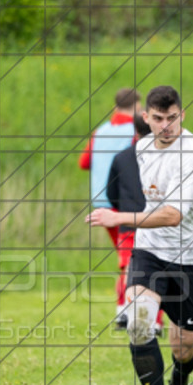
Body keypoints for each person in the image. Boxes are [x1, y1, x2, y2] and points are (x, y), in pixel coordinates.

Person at [87, 85, 193, 385]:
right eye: (158, 119)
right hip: (150, 251)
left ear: (182, 116)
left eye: (172, 118)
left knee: (183, 346)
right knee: (139, 322)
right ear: (147, 118)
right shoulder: (141, 148)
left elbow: (173, 214)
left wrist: (119, 218)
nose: (165, 126)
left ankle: (180, 380)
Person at [81, 88, 141, 324]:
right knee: (131, 258)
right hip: (124, 201)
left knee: (126, 257)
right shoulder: (135, 131)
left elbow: (84, 162)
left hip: (101, 201)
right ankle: (126, 308)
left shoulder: (100, 131)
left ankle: (122, 308)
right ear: (137, 106)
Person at [105, 112, 164, 333]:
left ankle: (124, 311)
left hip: (128, 225)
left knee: (129, 270)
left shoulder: (121, 158)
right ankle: (155, 321)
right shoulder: (165, 157)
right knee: (157, 273)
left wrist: (123, 211)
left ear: (135, 130)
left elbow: (111, 193)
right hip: (157, 225)